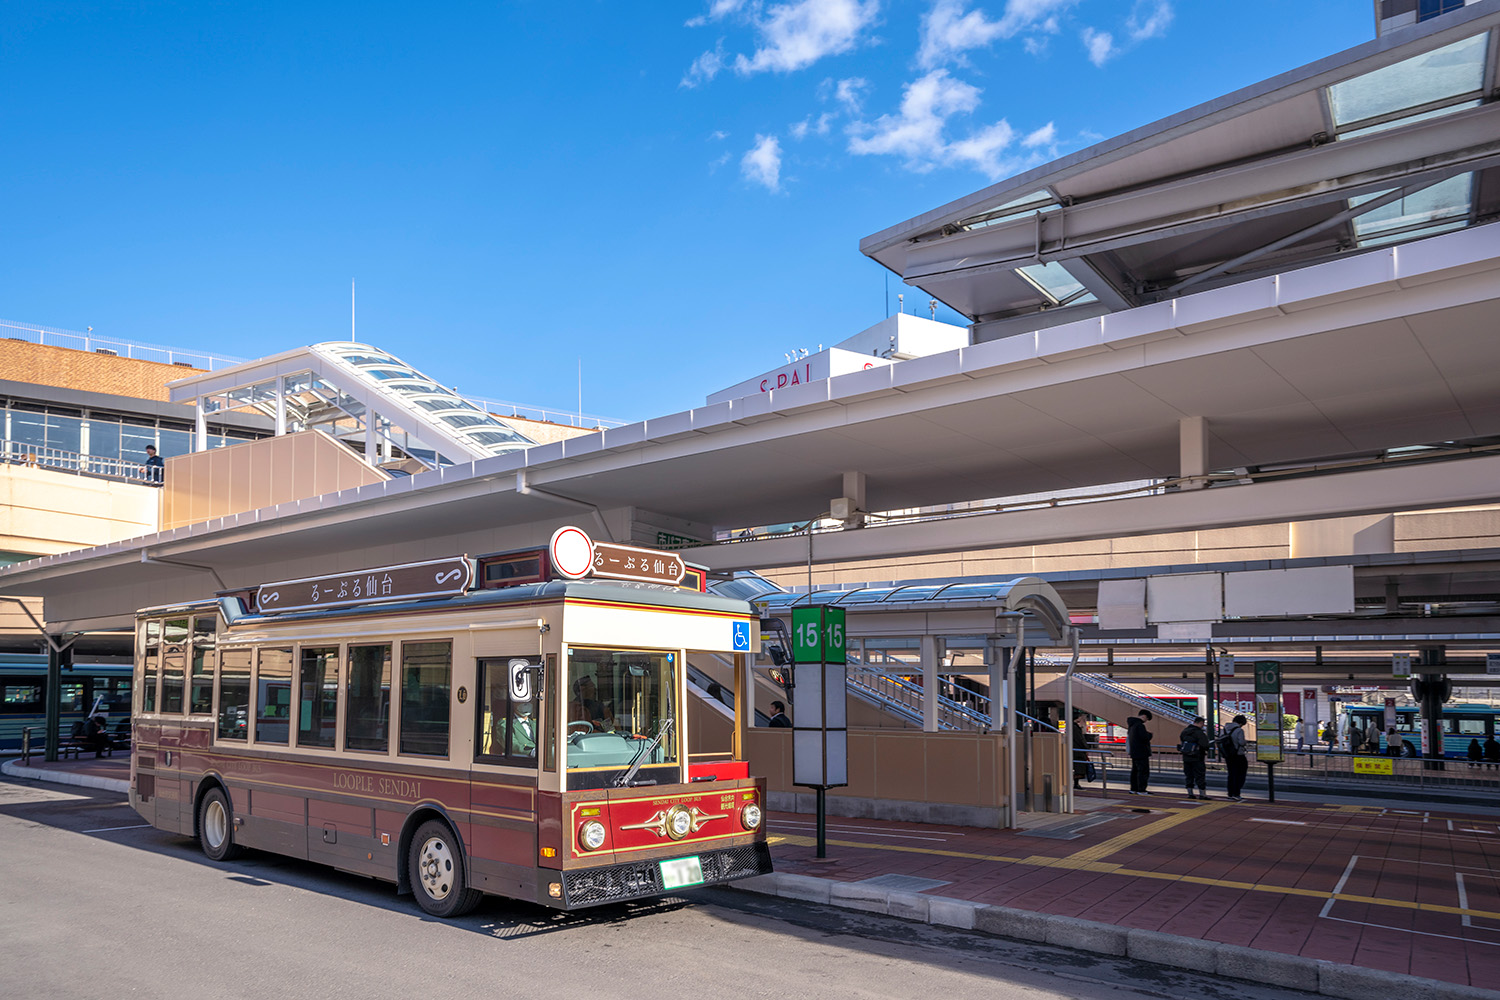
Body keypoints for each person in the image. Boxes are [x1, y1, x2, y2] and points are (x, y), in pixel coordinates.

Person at [1178, 715, 1211, 799]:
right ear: (1200, 723)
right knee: (1200, 775)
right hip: (1197, 757)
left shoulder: (1184, 731)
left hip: (1186, 757)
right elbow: (1205, 744)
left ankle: (1190, 793)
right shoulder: (1199, 733)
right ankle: (1202, 794)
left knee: (1189, 775)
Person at [1125, 709, 1154, 794]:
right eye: (1147, 719)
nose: (1146, 721)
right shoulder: (1139, 725)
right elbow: (1144, 738)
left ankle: (1133, 788)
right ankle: (1141, 789)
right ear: (1144, 716)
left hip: (1134, 752)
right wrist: (1150, 735)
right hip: (1141, 752)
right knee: (1143, 771)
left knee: (1135, 771)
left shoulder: (1132, 725)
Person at [1222, 714, 1250, 801]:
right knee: (1240, 774)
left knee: (1231, 774)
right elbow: (1241, 742)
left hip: (1228, 754)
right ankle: (1236, 793)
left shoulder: (1224, 729)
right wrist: (1245, 742)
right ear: (1241, 723)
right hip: (1238, 754)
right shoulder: (1239, 730)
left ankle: (1230, 793)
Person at [1072, 712, 1092, 789]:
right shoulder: (1075, 728)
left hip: (1076, 750)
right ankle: (1076, 784)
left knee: (1077, 767)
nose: (1081, 718)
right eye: (1080, 717)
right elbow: (1080, 739)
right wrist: (1086, 747)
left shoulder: (1073, 727)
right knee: (1078, 767)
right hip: (1078, 751)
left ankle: (1076, 783)